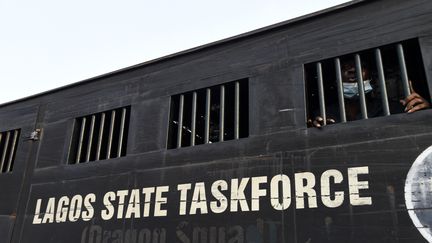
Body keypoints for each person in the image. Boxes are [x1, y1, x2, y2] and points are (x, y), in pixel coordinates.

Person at [307, 60, 430, 128]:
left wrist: (426, 113)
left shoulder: (393, 108)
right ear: (335, 81)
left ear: (370, 76)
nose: (353, 70)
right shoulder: (323, 114)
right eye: (344, 67)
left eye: (361, 65)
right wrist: (314, 131)